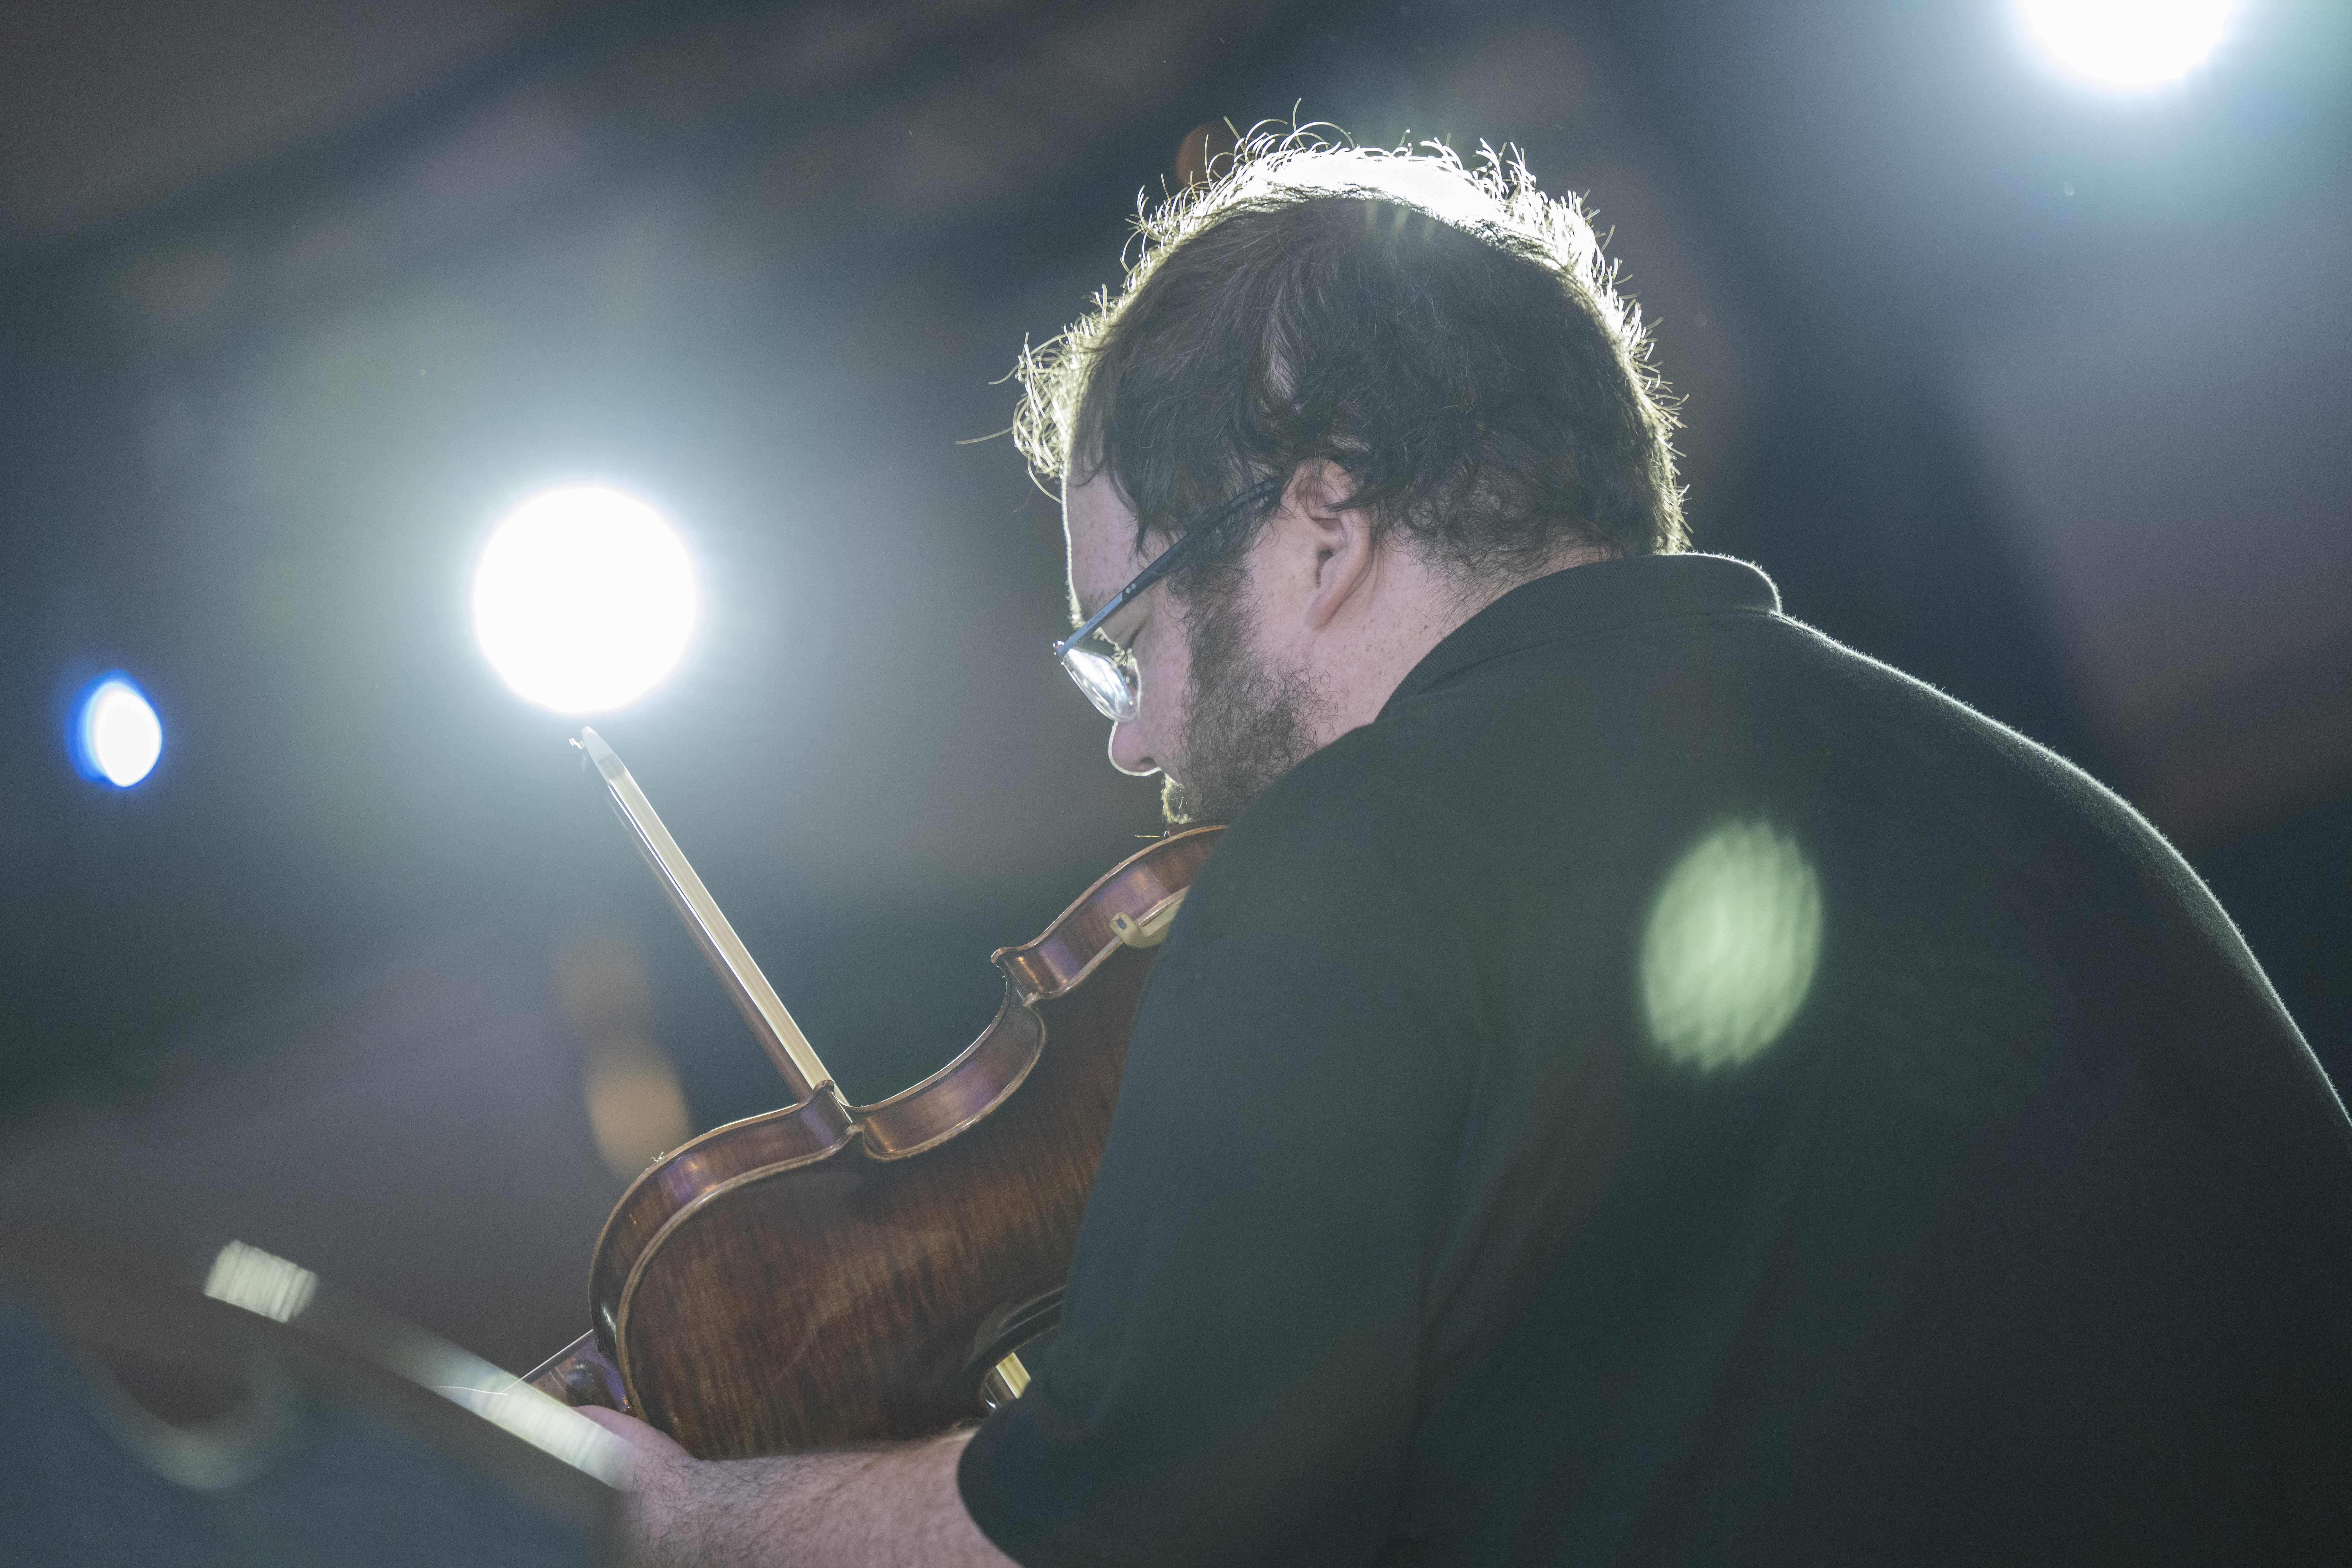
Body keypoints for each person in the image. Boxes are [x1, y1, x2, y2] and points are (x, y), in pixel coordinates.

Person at [584, 135, 2352, 1565]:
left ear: (1322, 523)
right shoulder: (2029, 801)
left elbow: (1105, 1541)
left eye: (1126, 641)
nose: (1133, 738)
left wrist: (673, 1524)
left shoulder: (1359, 857)